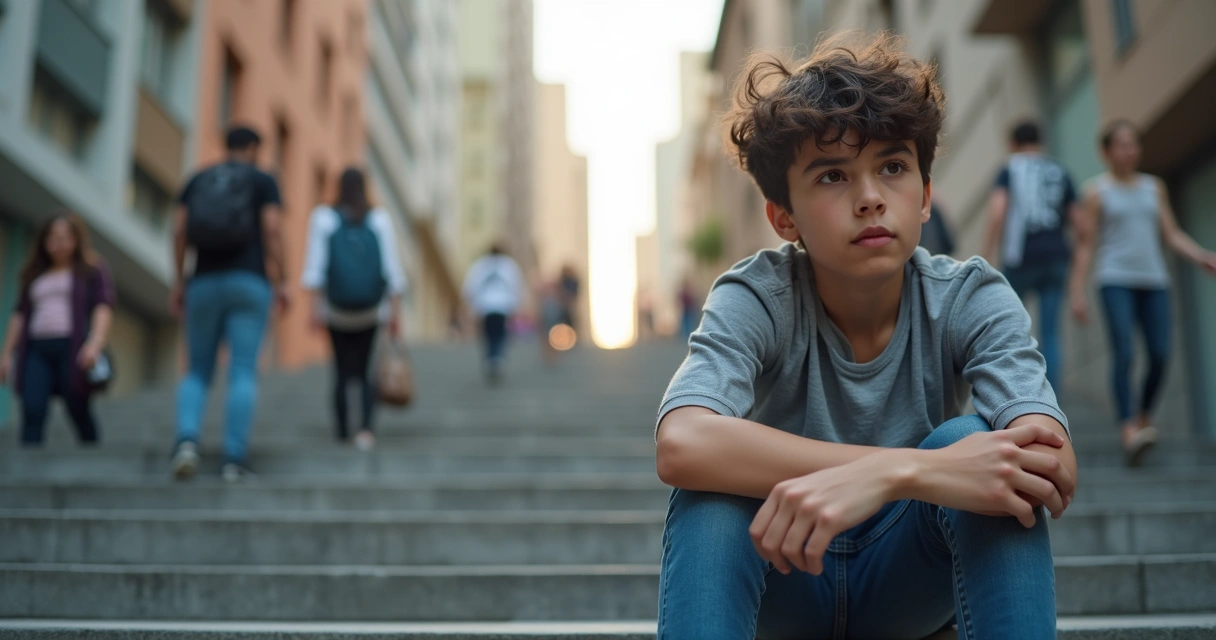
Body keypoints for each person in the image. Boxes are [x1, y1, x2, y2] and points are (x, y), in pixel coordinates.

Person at [654, 34, 1076, 638]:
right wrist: (904, 467)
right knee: (711, 495)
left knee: (979, 448)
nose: (871, 198)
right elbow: (682, 442)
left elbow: (1050, 462)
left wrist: (895, 479)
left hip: (910, 583)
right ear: (784, 217)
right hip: (785, 573)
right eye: (832, 176)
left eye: (893, 168)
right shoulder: (758, 295)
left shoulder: (969, 296)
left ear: (925, 196)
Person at [1068, 120, 1216, 466]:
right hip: (1114, 279)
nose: (1130, 151)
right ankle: (1129, 428)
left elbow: (1171, 233)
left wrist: (1201, 257)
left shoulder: (1154, 188)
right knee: (1124, 352)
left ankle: (1144, 414)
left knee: (1160, 353)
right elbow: (1086, 245)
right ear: (1106, 152)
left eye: (1133, 144)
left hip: (1154, 280)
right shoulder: (1096, 192)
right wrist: (1076, 291)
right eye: (1122, 145)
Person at [169, 125, 289, 483]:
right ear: (253, 148)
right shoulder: (263, 181)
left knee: (196, 370)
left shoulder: (199, 179)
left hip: (203, 281)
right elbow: (272, 229)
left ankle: (186, 442)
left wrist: (180, 280)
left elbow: (179, 231)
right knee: (243, 370)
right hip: (249, 281)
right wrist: (282, 278)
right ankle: (233, 459)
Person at [301, 167, 406, 450]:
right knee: (366, 371)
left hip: (336, 311)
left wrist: (314, 310)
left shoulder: (323, 217)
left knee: (341, 371)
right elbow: (393, 272)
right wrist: (395, 313)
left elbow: (315, 269)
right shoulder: (379, 218)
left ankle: (342, 431)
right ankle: (366, 430)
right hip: (371, 311)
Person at [0, 212, 114, 446]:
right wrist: (7, 353)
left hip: (72, 347)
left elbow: (103, 306)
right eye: (52, 237)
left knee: (77, 405)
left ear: (76, 240)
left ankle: (92, 452)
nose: (58, 243)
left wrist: (95, 342)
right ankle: (28, 465)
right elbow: (20, 314)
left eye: (64, 237)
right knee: (32, 408)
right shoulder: (34, 273)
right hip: (36, 348)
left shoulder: (91, 269)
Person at [982, 120, 1078, 395]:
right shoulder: (1059, 169)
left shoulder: (1010, 168)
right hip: (1056, 258)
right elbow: (1080, 222)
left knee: (1009, 327)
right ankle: (1052, 401)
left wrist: (987, 254)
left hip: (1021, 259)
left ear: (1013, 144)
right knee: (1051, 334)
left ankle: (1016, 393)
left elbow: (998, 212)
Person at [462, 244, 524, 383]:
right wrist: (516, 306)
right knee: (499, 333)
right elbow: (516, 286)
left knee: (488, 333)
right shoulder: (509, 265)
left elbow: (471, 286)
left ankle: (491, 357)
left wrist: (471, 305)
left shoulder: (480, 264)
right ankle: (497, 357)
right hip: (503, 306)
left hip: (484, 306)